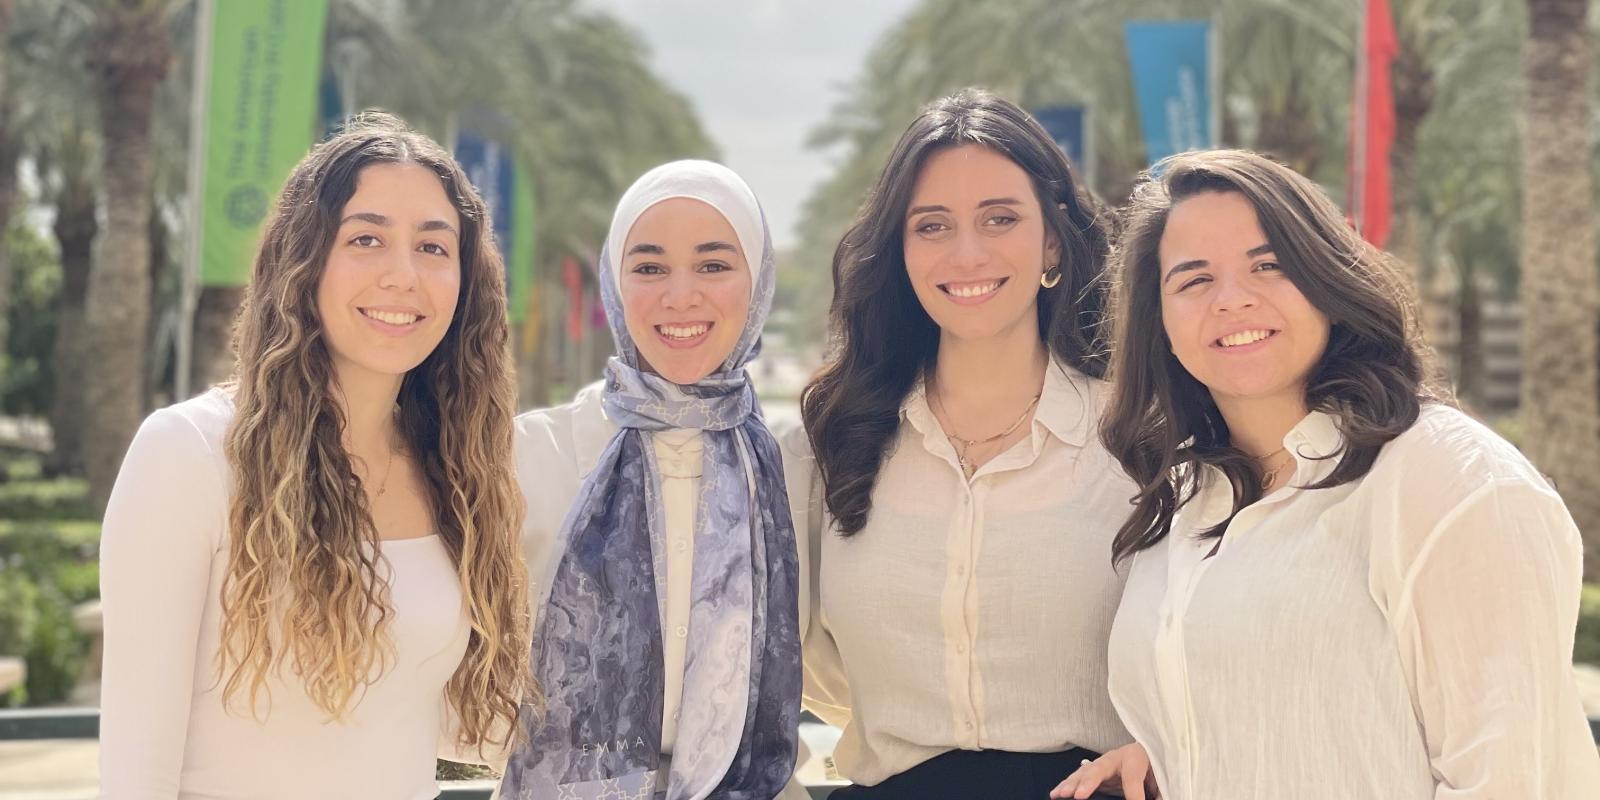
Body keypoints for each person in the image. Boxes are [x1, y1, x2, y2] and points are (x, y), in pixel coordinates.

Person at [1054, 149, 1600, 800]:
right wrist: (1172, 745)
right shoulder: (1184, 501)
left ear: (1326, 281)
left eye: (1268, 265)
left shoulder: (1448, 480)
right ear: (1162, 323)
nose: (1232, 299)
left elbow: (1516, 779)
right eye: (1194, 280)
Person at [98, 112, 530, 799]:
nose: (403, 275)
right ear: (303, 259)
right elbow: (135, 772)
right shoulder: (190, 455)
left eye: (433, 247)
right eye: (366, 238)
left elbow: (441, 724)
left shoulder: (458, 470)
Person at [788, 88, 1133, 798]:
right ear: (901, 250)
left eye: (1000, 218)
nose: (966, 252)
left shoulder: (1137, 437)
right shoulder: (830, 441)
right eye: (933, 225)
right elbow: (804, 658)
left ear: (1052, 241)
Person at [499, 160, 802, 800]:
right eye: (650, 267)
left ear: (758, 284)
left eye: (715, 265)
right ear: (614, 281)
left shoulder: (791, 467)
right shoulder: (535, 453)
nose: (680, 295)